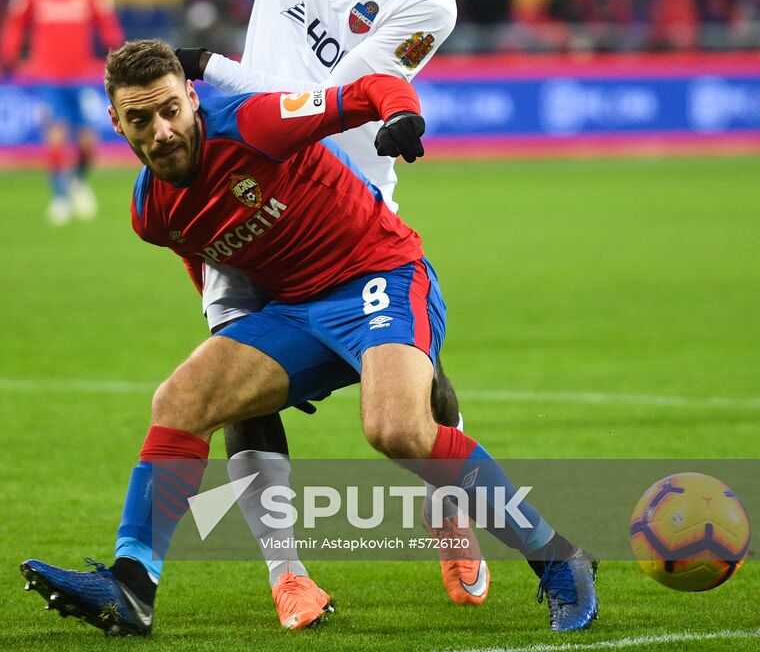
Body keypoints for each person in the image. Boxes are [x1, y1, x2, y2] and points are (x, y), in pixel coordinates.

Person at [21, 39, 598, 636]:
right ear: (117, 123)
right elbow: (205, 258)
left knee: (396, 430)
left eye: (171, 110)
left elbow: (369, 91)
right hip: (296, 312)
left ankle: (559, 558)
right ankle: (131, 586)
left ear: (192, 99)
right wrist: (244, 351)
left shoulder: (255, 125)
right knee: (180, 400)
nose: (162, 131)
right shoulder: (151, 213)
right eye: (141, 119)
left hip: (381, 277)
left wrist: (400, 113)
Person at [135, 0, 480, 611]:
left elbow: (331, 103)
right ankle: (286, 573)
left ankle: (455, 513)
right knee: (233, 384)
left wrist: (207, 67)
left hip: (345, 197)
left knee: (413, 387)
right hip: (242, 185)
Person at [0, 0, 124, 223]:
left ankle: (76, 181)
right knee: (55, 132)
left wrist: (117, 53)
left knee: (87, 141)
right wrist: (11, 56)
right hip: (47, 73)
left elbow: (107, 23)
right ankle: (59, 197)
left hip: (81, 73)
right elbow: (16, 24)